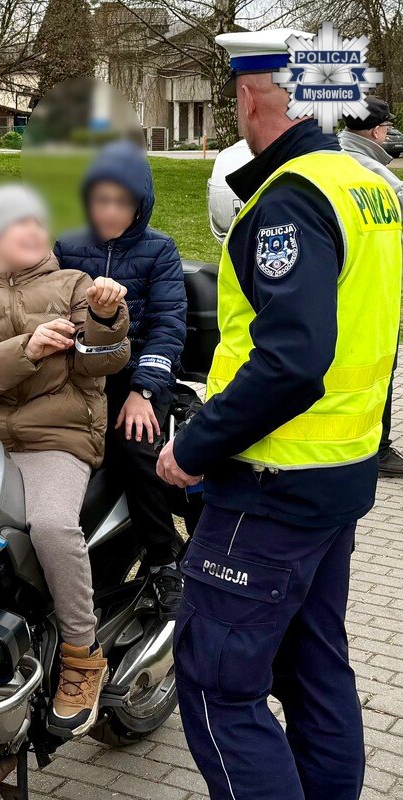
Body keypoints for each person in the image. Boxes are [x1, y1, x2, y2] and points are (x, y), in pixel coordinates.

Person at [157, 30, 402, 800]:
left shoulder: (290, 197)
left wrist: (194, 446)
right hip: (341, 474)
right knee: (313, 668)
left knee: (215, 685)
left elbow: (293, 359)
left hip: (271, 486)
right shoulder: (367, 185)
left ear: (249, 94)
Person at [0, 184, 130, 739]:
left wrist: (105, 317)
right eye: (15, 223)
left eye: (36, 221)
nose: (31, 231)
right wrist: (25, 350)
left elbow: (104, 362)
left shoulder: (75, 285)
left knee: (50, 526)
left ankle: (81, 654)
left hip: (58, 438)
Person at [55, 140, 188, 618]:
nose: (110, 211)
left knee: (135, 448)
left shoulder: (160, 250)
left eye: (122, 201)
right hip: (78, 375)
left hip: (134, 376)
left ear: (140, 205)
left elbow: (169, 327)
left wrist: (143, 392)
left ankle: (162, 559)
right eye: (101, 199)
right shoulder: (66, 245)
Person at [338, 96, 403, 477]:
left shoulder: (339, 155)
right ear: (377, 131)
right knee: (379, 366)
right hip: (370, 284)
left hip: (351, 279)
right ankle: (376, 449)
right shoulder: (368, 166)